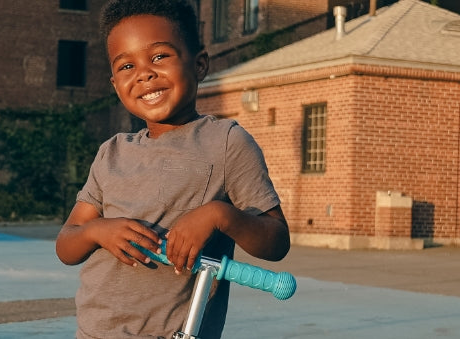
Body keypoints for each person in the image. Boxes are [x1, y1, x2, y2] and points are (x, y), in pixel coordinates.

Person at [54, 0, 292, 338]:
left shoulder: (226, 142)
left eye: (159, 57)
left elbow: (277, 241)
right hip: (95, 332)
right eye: (126, 67)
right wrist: (98, 231)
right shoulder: (112, 152)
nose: (143, 74)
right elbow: (67, 243)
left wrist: (219, 215)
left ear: (199, 64)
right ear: (114, 84)